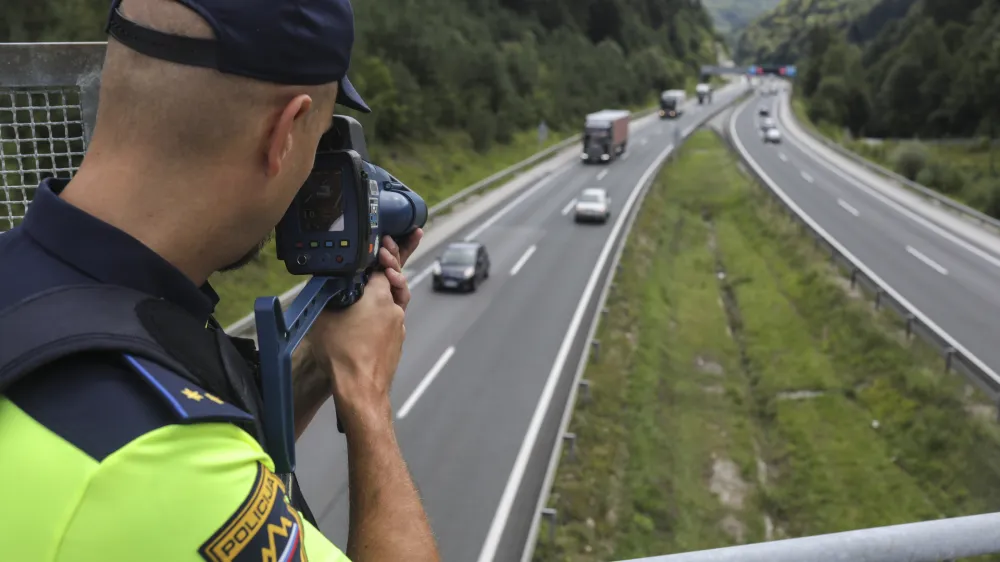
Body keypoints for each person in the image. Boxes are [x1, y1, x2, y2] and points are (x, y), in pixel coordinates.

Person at [0, 0, 440, 560]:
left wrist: (311, 367)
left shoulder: (54, 292)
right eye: (318, 137)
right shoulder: (161, 462)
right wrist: (364, 391)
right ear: (282, 134)